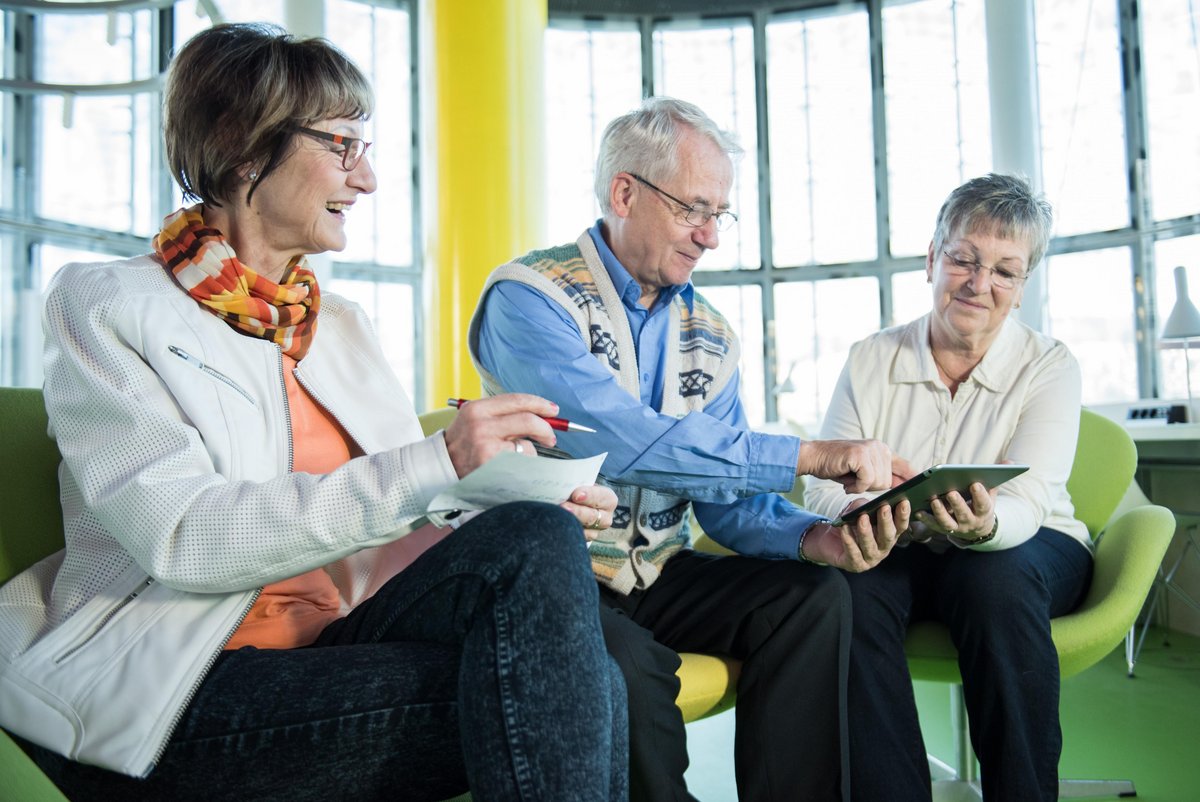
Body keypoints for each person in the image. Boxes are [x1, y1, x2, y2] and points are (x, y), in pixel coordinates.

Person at [0, 23, 627, 802]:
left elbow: (411, 515)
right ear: (241, 145)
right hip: (180, 688)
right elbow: (185, 537)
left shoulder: (341, 327)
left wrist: (517, 494)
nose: (364, 180)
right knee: (578, 688)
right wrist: (437, 460)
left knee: (538, 546)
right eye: (341, 145)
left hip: (331, 642)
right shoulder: (105, 305)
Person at [469, 96, 912, 802]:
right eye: (693, 210)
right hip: (554, 577)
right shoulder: (528, 298)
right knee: (628, 667)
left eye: (719, 215)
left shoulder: (711, 332)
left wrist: (817, 539)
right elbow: (615, 441)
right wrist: (804, 456)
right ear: (624, 192)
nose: (710, 236)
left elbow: (728, 505)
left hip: (658, 573)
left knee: (817, 598)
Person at [804, 173, 1094, 801]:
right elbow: (821, 490)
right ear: (932, 259)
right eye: (964, 258)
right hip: (904, 550)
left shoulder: (1050, 365)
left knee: (990, 577)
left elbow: (1032, 499)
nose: (979, 283)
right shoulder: (869, 358)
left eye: (1005, 271)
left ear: (1021, 289)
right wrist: (868, 513)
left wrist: (984, 528)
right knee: (844, 587)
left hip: (1030, 546)